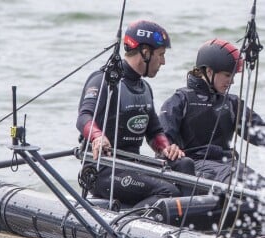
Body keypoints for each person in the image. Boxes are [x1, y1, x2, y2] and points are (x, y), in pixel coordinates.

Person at [76, 20, 195, 209]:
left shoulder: (144, 88)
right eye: (161, 55)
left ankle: (185, 223)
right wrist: (98, 137)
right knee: (168, 192)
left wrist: (165, 148)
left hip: (133, 166)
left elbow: (154, 132)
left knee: (185, 164)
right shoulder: (104, 80)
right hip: (104, 170)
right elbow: (84, 117)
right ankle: (127, 224)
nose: (163, 62)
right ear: (145, 53)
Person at [159, 38, 265, 189]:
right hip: (196, 167)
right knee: (239, 180)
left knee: (257, 182)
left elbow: (260, 132)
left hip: (230, 166)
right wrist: (169, 147)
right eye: (228, 75)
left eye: (233, 76)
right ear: (208, 71)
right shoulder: (180, 101)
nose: (232, 82)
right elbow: (161, 139)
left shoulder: (233, 103)